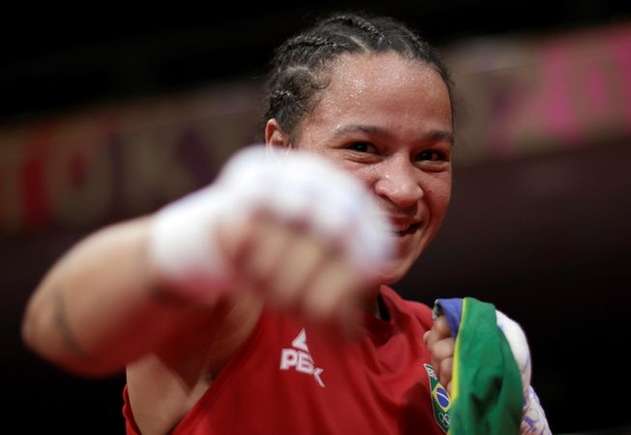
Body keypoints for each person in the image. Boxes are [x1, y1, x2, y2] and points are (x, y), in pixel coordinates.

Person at [22, 12, 549, 434]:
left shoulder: (445, 352)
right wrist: (201, 234)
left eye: (431, 156)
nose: (405, 188)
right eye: (363, 148)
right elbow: (56, 327)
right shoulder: (232, 301)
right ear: (281, 149)